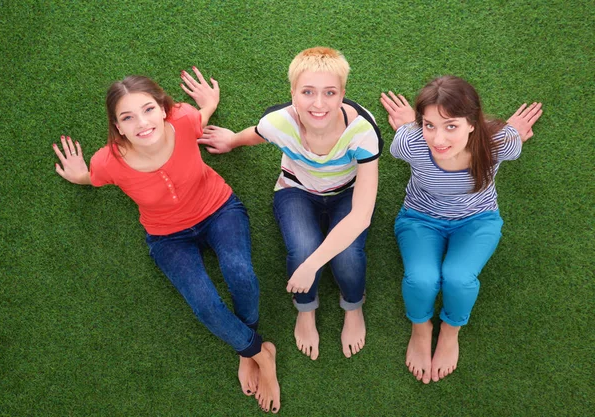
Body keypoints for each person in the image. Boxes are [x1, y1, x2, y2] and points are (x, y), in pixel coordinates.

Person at [52, 69, 280, 413]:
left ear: (163, 109)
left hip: (219, 210)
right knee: (204, 304)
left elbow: (198, 117)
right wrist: (78, 174)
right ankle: (259, 352)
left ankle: (245, 347)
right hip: (167, 236)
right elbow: (92, 177)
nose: (141, 123)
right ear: (118, 127)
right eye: (127, 117)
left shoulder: (185, 119)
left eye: (147, 110)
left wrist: (210, 103)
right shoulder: (109, 161)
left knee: (240, 273)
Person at [190, 47, 382, 360]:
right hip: (295, 190)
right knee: (303, 247)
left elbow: (360, 217)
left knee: (348, 254)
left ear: (342, 94)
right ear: (293, 93)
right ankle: (305, 309)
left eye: (329, 93)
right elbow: (258, 133)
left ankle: (353, 306)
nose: (318, 104)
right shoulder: (278, 122)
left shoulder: (362, 131)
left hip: (347, 193)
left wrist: (310, 267)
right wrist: (231, 140)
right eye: (308, 92)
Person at [380, 75, 543, 384]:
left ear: (472, 123)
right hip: (420, 218)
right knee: (421, 279)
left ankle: (450, 332)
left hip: (477, 221)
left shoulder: (499, 144)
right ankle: (421, 328)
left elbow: (514, 136)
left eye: (451, 125)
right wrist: (408, 126)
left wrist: (513, 131)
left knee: (458, 277)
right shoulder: (408, 144)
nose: (438, 139)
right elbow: (409, 132)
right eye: (429, 125)